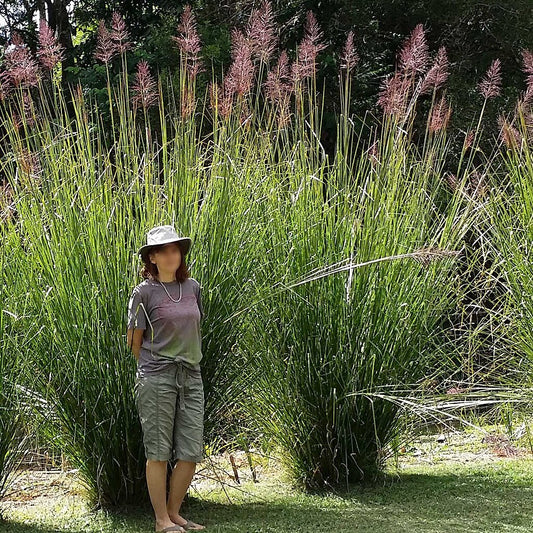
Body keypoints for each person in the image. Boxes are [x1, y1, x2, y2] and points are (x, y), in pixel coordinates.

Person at [127, 225, 206, 532]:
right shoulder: (143, 292)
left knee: (190, 449)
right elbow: (134, 342)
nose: (172, 255)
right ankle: (161, 521)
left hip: (191, 375)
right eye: (164, 251)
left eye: (176, 249)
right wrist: (153, 366)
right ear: (153, 257)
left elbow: (195, 327)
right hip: (157, 376)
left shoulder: (193, 287)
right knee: (158, 451)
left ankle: (175, 514)